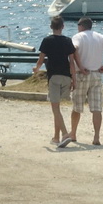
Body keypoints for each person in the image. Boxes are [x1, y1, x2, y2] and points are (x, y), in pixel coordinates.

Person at [70, 16, 103, 146]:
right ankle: (96, 137)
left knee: (77, 107)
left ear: (81, 26)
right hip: (96, 74)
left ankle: (73, 133)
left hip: (82, 74)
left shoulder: (78, 37)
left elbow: (73, 50)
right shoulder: (99, 36)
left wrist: (79, 66)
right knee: (97, 108)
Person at [33, 16, 76, 148]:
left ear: (51, 27)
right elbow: (72, 62)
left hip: (54, 76)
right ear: (63, 27)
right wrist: (74, 78)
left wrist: (37, 68)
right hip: (66, 76)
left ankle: (65, 134)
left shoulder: (47, 41)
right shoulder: (68, 41)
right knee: (58, 108)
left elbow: (41, 59)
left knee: (55, 108)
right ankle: (56, 137)